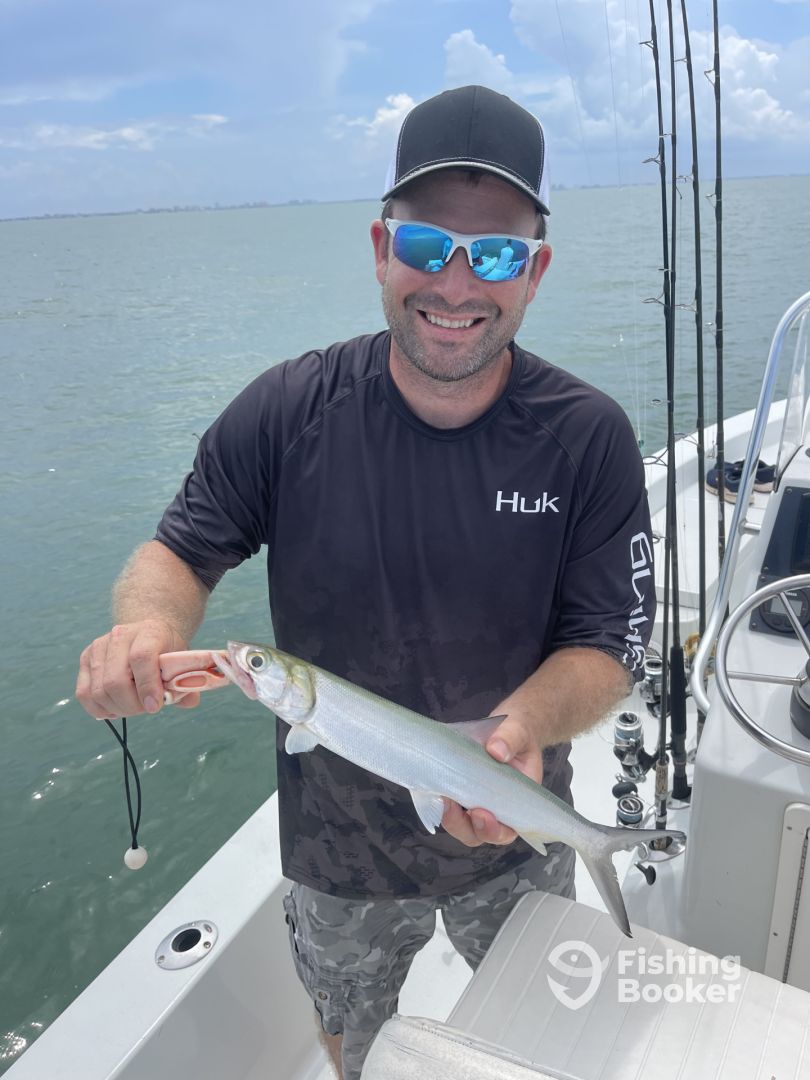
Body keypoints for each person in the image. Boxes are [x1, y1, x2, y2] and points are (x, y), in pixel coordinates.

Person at [76, 85, 655, 1080]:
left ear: (536, 271)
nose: (457, 284)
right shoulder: (286, 412)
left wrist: (516, 732)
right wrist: (145, 630)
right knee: (353, 1037)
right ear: (383, 249)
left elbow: (609, 642)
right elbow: (179, 552)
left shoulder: (587, 437)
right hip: (336, 849)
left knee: (536, 1036)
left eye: (497, 255)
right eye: (428, 244)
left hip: (511, 815)